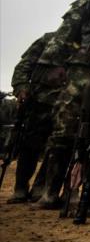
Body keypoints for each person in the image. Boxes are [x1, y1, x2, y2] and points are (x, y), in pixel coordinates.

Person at [32, 0, 90, 209]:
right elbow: (68, 30)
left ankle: (85, 193)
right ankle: (50, 193)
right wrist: (76, 53)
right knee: (64, 131)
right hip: (82, 73)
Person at [7, 32, 64, 203]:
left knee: (58, 148)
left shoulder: (87, 44)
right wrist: (21, 87)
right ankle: (20, 188)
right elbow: (24, 65)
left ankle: (41, 187)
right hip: (38, 101)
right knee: (29, 144)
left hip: (65, 104)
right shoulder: (49, 39)